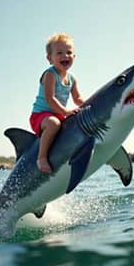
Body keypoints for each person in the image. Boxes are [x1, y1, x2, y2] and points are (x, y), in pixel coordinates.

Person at [29, 33, 85, 173]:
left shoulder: (72, 79)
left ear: (74, 56)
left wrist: (89, 106)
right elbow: (50, 99)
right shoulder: (50, 74)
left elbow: (77, 99)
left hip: (58, 114)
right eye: (59, 53)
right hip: (41, 115)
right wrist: (65, 112)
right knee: (54, 124)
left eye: (69, 52)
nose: (65, 56)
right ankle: (41, 158)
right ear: (50, 58)